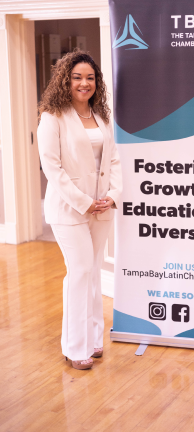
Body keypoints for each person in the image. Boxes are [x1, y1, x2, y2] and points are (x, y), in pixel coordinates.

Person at [37, 50, 122, 370]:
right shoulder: (52, 116)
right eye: (77, 77)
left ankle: (94, 340)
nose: (84, 83)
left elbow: (113, 160)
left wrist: (113, 195)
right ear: (65, 81)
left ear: (96, 82)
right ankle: (75, 347)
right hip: (70, 209)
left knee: (93, 272)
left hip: (102, 206)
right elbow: (52, 168)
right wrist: (84, 202)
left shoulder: (100, 116)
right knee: (81, 271)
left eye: (90, 77)